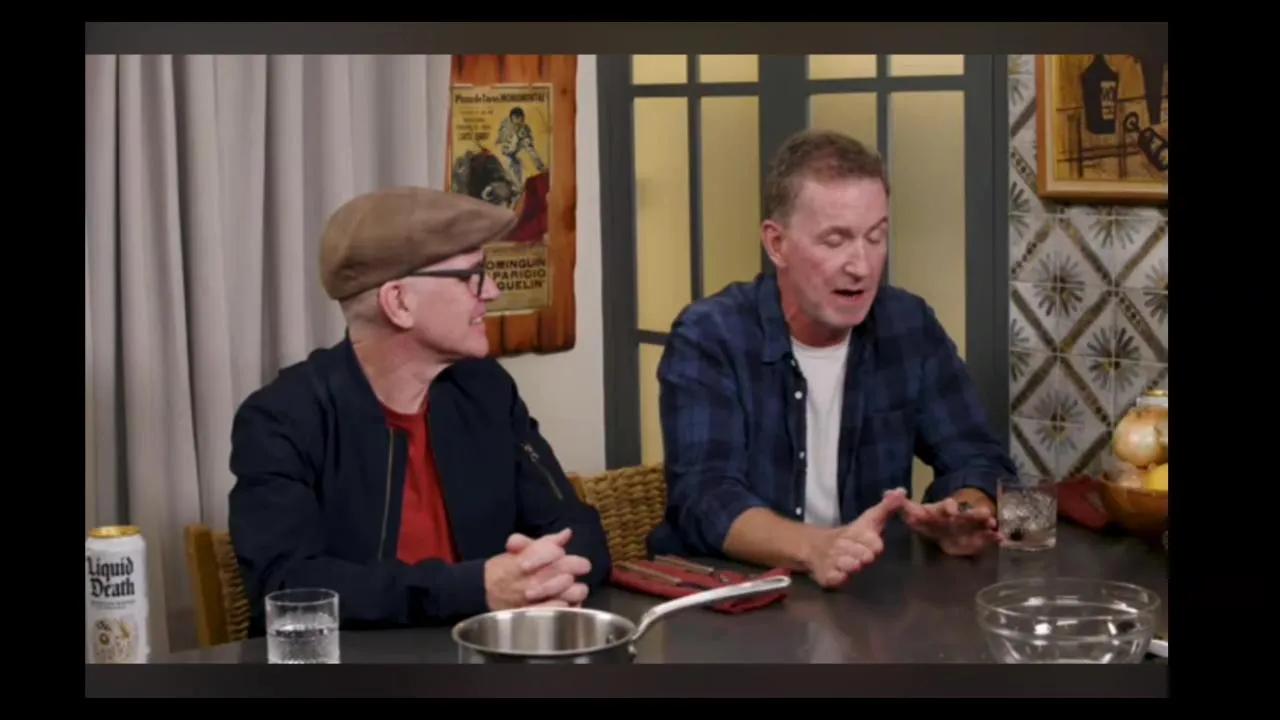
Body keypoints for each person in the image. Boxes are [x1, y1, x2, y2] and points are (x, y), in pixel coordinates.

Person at [228, 187, 612, 634]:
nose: (492, 290)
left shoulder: (485, 389)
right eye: (472, 275)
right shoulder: (281, 419)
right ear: (399, 302)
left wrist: (547, 577)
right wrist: (474, 589)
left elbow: (574, 526)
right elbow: (288, 585)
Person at [647, 130, 1015, 589]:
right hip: (728, 599)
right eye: (835, 240)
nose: (861, 266)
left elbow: (978, 457)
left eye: (875, 237)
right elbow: (705, 498)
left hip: (865, 600)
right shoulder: (710, 336)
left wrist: (964, 512)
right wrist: (816, 548)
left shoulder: (908, 324)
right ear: (776, 244)